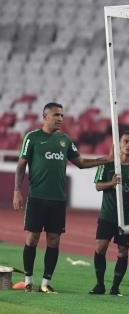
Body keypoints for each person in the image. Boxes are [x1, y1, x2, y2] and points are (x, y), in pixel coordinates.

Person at [14, 102, 113, 294]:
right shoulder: (32, 138)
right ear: (45, 116)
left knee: (54, 240)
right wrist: (17, 190)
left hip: (58, 200)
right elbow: (21, 164)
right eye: (56, 115)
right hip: (37, 198)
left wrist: (106, 159)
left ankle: (45, 283)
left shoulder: (65, 140)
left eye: (62, 115)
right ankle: (28, 280)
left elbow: (81, 163)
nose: (60, 118)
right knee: (32, 238)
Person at [90, 131, 129, 296]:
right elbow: (97, 186)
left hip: (127, 216)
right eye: (126, 142)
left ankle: (115, 287)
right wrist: (112, 183)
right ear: (119, 145)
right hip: (108, 214)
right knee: (100, 247)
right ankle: (100, 284)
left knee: (123, 251)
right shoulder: (109, 164)